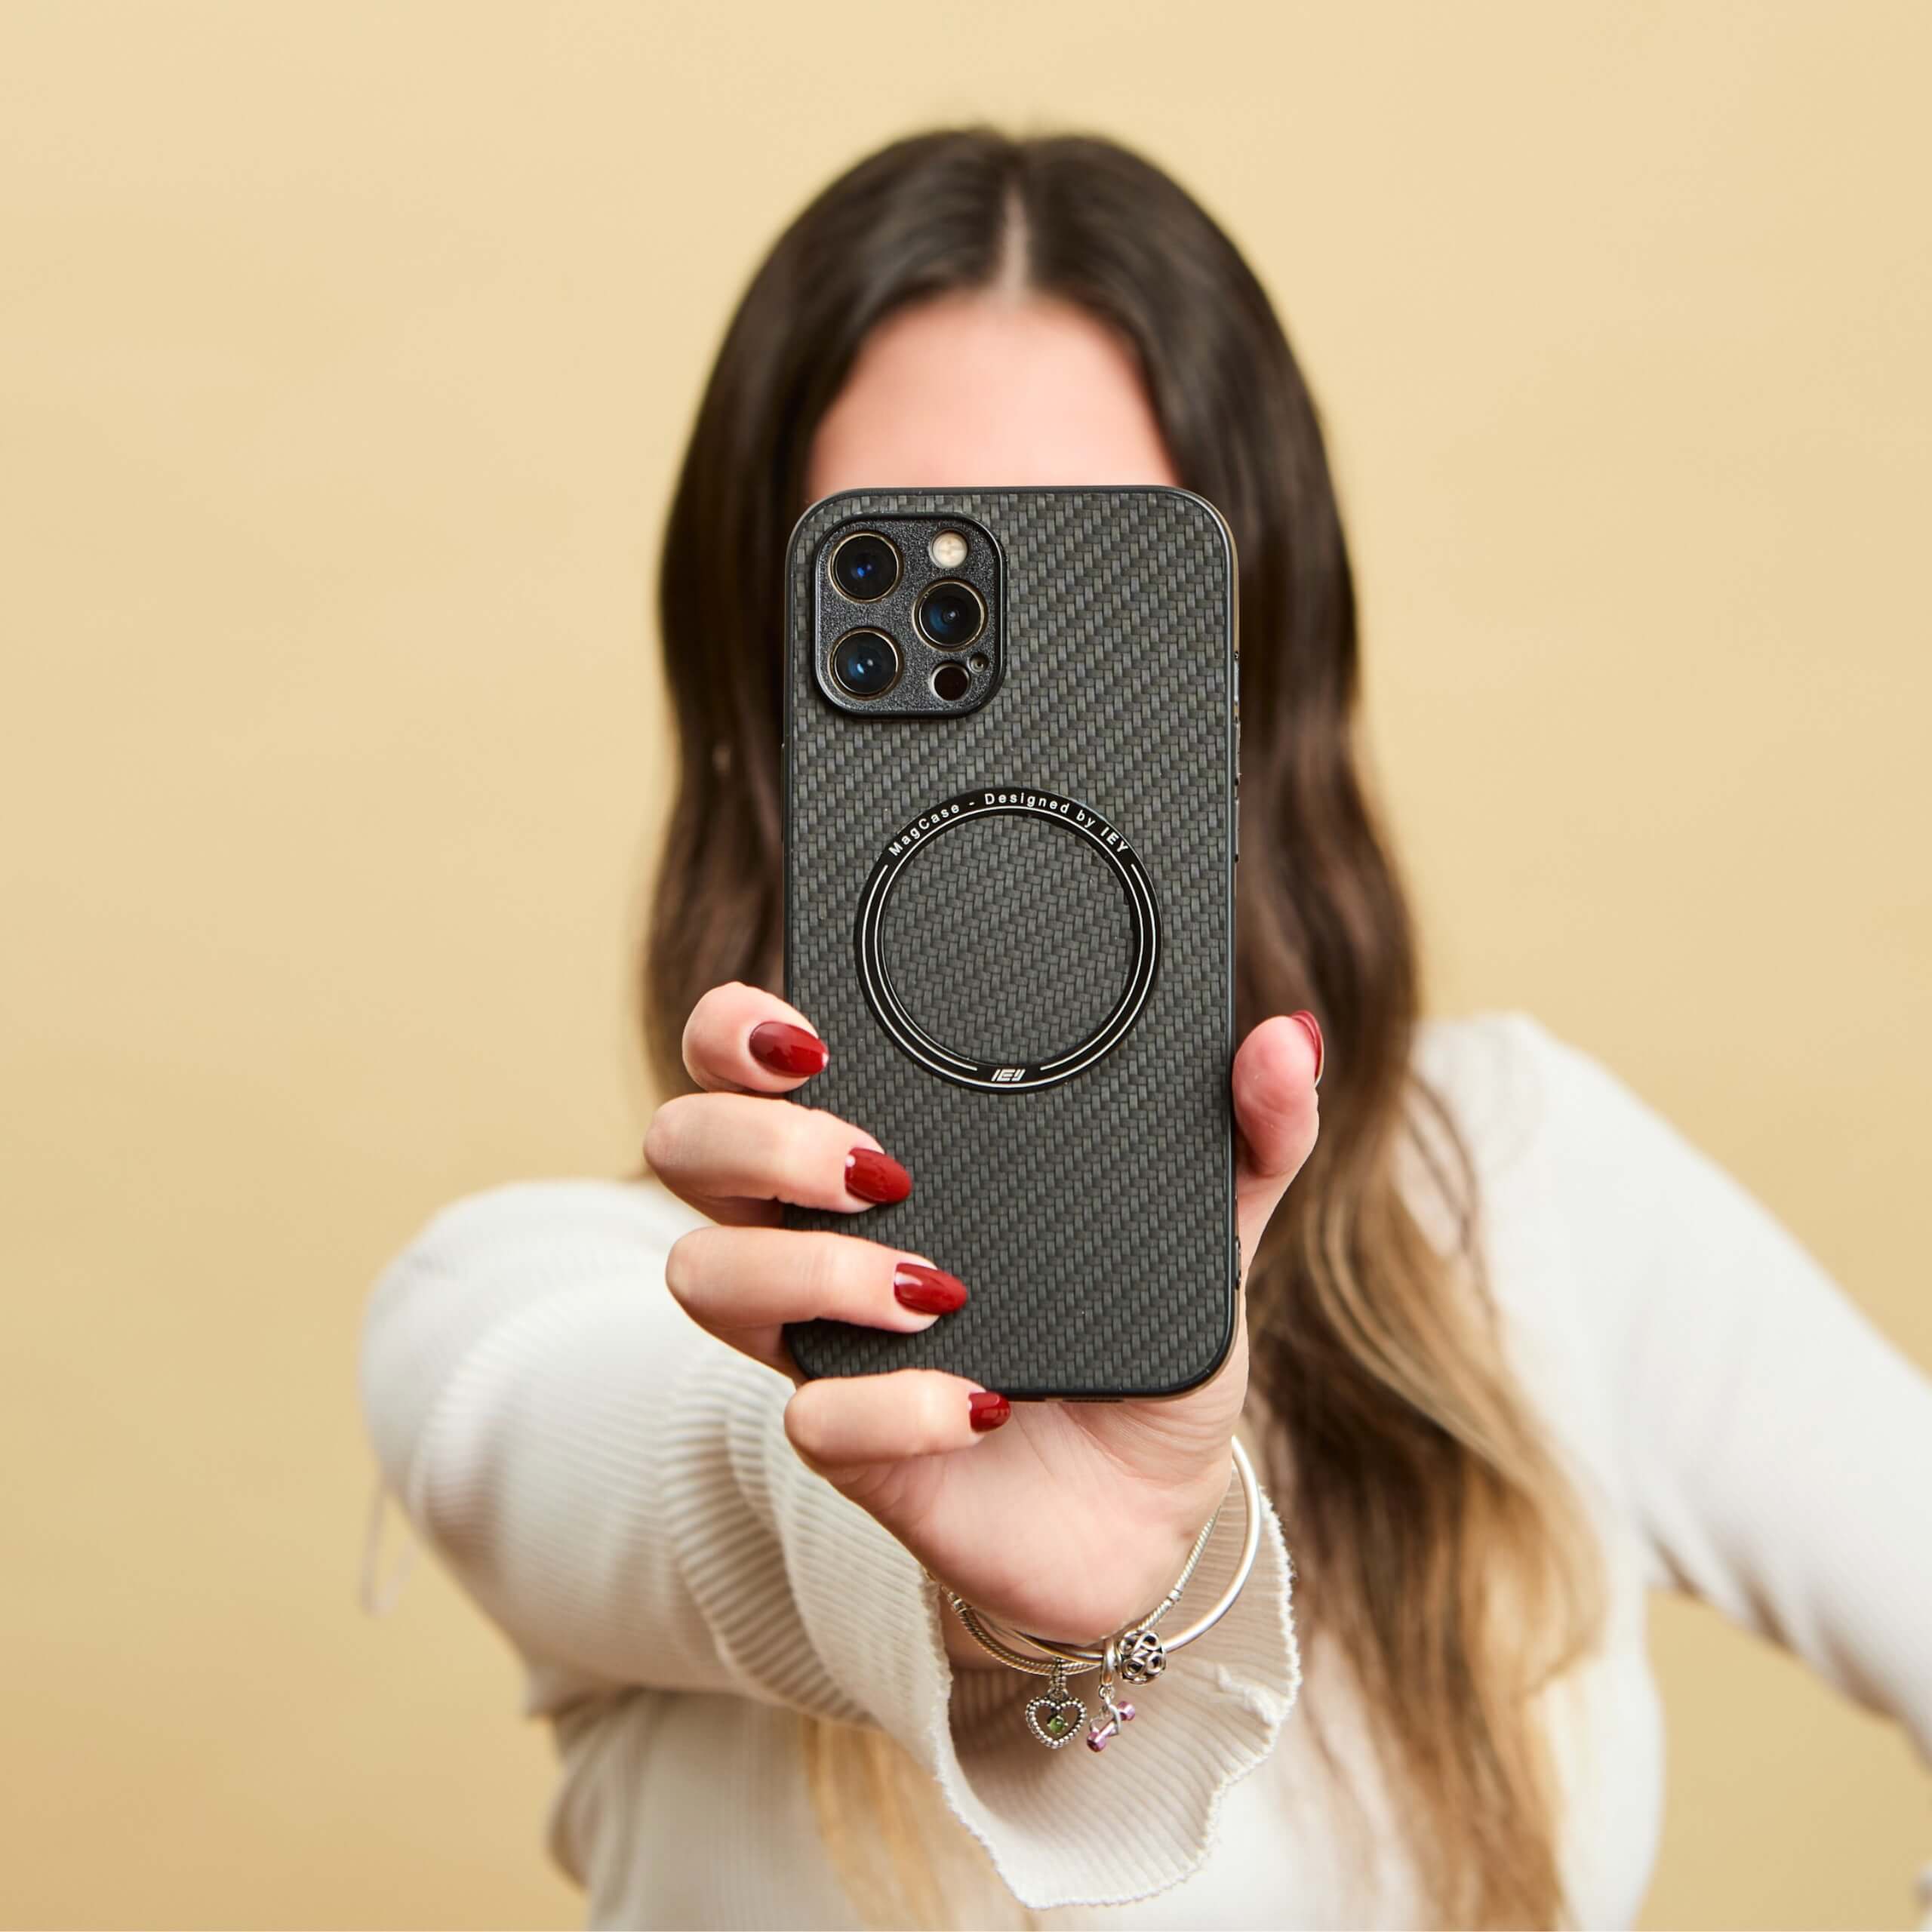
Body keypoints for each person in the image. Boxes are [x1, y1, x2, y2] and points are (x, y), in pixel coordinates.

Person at [358, 128, 1932, 1930]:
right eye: (929, 594)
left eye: (1096, 595)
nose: (1014, 736)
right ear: (753, 697)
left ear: (1263, 687)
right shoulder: (519, 1309)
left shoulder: (1514, 1184)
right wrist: (939, 1527)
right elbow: (650, 1468)